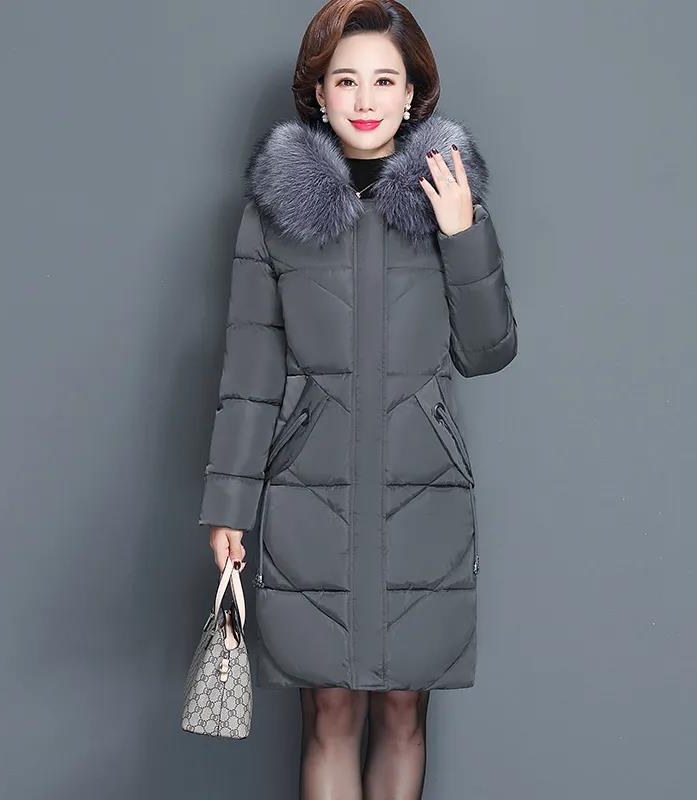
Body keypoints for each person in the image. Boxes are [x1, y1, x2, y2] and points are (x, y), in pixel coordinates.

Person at [198, 1, 517, 796]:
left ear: (412, 95)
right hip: (308, 494)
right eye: (346, 80)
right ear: (319, 93)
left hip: (424, 493)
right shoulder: (272, 216)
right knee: (329, 712)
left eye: (384, 80)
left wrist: (462, 234)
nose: (365, 99)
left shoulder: (450, 199)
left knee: (405, 710)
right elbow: (249, 371)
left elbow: (487, 351)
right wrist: (228, 507)